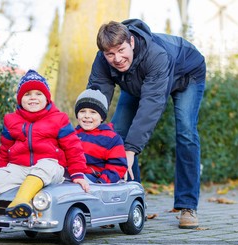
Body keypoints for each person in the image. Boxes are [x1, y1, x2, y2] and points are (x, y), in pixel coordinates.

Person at [86, 19, 206, 229]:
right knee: (117, 135)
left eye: (121, 50)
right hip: (139, 83)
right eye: (110, 54)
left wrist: (131, 149)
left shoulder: (156, 55)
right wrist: (87, 130)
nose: (117, 59)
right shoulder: (103, 59)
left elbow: (151, 105)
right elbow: (97, 99)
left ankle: (188, 206)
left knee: (186, 132)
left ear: (131, 42)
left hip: (187, 75)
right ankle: (133, 202)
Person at [0, 69, 89, 231]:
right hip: (20, 167)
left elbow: (73, 147)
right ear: (20, 99)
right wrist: (2, 169)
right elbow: (5, 147)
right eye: (28, 94)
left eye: (38, 94)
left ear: (47, 98)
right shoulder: (11, 120)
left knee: (46, 164)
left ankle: (20, 202)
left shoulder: (59, 119)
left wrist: (78, 174)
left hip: (52, 169)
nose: (33, 98)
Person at [74, 88, 127, 183]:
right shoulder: (72, 134)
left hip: (92, 179)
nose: (87, 115)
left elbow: (118, 165)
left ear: (102, 117)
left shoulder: (111, 139)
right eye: (82, 111)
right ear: (77, 115)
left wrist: (102, 182)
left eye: (93, 112)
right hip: (70, 174)